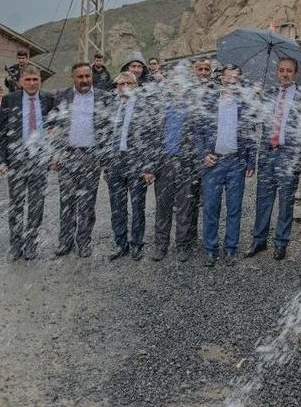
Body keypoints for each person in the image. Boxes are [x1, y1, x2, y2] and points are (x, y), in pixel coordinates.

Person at [246, 57, 301, 261]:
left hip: (288, 156)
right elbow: (255, 120)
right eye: (281, 70)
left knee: (285, 201)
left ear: (295, 74)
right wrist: (256, 100)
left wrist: (300, 159)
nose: (285, 74)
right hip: (267, 154)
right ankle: (259, 240)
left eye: (289, 71)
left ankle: (281, 243)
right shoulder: (268, 94)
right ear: (276, 73)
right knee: (263, 199)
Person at [194, 65, 256, 267]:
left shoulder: (245, 103)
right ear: (221, 78)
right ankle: (210, 249)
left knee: (234, 208)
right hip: (213, 162)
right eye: (228, 75)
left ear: (239, 79)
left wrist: (250, 160)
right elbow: (197, 132)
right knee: (211, 207)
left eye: (235, 75)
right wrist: (204, 155)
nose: (231, 78)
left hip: (236, 162)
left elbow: (251, 134)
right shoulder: (209, 100)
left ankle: (230, 249)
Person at [0, 65, 55, 260]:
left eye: (35, 79)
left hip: (39, 160)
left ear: (40, 80)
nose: (31, 83)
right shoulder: (9, 100)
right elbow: (1, 133)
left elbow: (55, 129)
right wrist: (2, 160)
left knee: (37, 205)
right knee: (16, 205)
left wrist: (52, 154)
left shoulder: (48, 99)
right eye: (27, 80)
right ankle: (15, 245)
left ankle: (31, 244)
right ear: (20, 82)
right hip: (16, 161)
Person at [51, 62, 110, 258]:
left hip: (91, 157)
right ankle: (64, 242)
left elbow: (109, 128)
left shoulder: (103, 97)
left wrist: (104, 159)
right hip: (67, 156)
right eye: (80, 77)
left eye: (87, 76)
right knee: (66, 202)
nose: (84, 80)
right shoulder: (61, 96)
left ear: (92, 76)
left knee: (86, 203)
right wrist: (55, 153)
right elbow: (53, 126)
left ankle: (83, 242)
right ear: (73, 78)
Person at [151, 59, 206, 262]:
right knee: (163, 207)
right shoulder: (161, 108)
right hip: (164, 163)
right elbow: (152, 139)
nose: (177, 87)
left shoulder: (193, 108)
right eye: (174, 83)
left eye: (180, 83)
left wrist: (198, 164)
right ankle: (160, 245)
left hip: (185, 165)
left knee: (184, 207)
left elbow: (199, 138)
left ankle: (182, 245)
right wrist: (151, 165)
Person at [104, 71, 156, 261]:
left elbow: (152, 138)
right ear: (116, 86)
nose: (124, 86)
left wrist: (149, 167)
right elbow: (105, 136)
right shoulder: (111, 106)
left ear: (136, 86)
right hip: (115, 162)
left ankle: (137, 244)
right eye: (120, 83)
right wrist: (105, 165)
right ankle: (120, 244)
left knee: (137, 207)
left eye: (129, 83)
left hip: (137, 162)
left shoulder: (145, 107)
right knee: (116, 207)